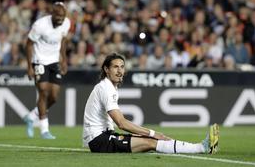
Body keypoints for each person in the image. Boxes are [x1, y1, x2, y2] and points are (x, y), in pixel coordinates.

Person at [83, 53, 219, 153]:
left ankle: (201, 147)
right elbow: (122, 123)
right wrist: (153, 133)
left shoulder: (108, 87)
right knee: (150, 141)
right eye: (115, 67)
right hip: (99, 140)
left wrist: (150, 134)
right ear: (106, 70)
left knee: (150, 140)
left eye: (122, 67)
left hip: (105, 136)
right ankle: (201, 147)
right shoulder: (106, 88)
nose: (120, 71)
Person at [23, 2, 70, 139]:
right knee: (43, 91)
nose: (61, 19)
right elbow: (28, 44)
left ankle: (31, 116)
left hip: (54, 61)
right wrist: (29, 66)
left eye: (63, 16)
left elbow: (63, 41)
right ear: (52, 14)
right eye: (58, 16)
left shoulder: (66, 23)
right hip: (39, 60)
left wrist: (64, 59)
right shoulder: (40, 25)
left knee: (54, 97)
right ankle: (44, 130)